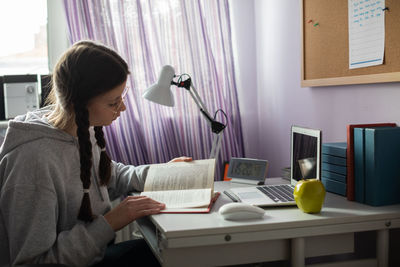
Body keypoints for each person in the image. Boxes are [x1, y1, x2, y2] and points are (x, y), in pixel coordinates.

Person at [0, 40, 191, 267]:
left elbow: (108, 175)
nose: (122, 108)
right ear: (80, 103)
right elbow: (33, 262)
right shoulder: (31, 163)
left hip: (95, 255)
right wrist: (110, 222)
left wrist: (162, 173)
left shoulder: (80, 128)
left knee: (174, 251)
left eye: (122, 97)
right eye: (113, 102)